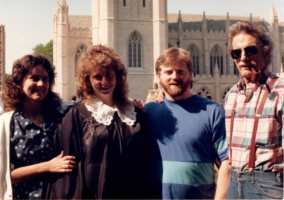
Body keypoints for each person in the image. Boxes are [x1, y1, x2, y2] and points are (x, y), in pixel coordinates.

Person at [46, 45, 150, 199]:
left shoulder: (134, 112)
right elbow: (68, 174)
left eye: (109, 74)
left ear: (118, 76)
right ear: (87, 80)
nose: (105, 81)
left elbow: (145, 158)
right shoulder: (76, 116)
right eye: (97, 77)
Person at [0, 54, 76, 200]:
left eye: (45, 79)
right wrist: (47, 166)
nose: (41, 84)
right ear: (20, 83)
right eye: (34, 78)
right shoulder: (7, 124)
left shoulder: (60, 117)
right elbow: (2, 176)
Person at [145, 47, 230, 199]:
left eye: (180, 71)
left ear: (191, 74)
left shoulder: (212, 111)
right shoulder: (147, 112)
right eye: (168, 72)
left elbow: (227, 161)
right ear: (158, 76)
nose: (175, 77)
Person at [223, 21, 283, 199]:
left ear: (266, 51)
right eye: (236, 53)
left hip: (269, 187)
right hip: (233, 184)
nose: (243, 57)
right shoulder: (231, 95)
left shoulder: (280, 91)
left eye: (250, 50)